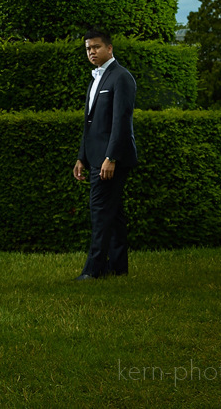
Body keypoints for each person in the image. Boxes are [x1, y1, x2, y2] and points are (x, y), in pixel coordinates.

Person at [72, 29, 137, 280]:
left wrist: (111, 158)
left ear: (109, 48)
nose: (91, 52)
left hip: (111, 159)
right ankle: (119, 267)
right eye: (88, 49)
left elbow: (122, 121)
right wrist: (81, 157)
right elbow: (90, 124)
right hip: (96, 158)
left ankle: (93, 269)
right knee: (114, 212)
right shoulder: (95, 79)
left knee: (100, 211)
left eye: (96, 47)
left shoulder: (121, 77)